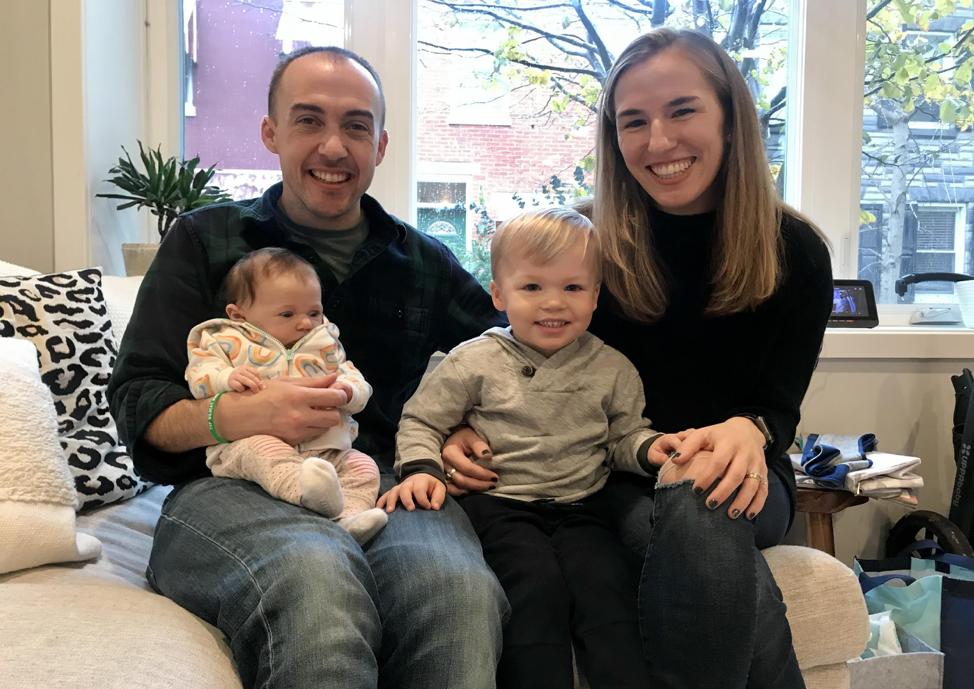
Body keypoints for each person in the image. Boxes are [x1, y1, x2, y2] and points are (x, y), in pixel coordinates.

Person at [441, 28, 833, 688]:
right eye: (634, 122)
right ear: (613, 137)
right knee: (701, 521)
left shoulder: (795, 251)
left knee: (701, 495)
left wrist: (750, 428)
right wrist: (460, 425)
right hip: (612, 473)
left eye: (682, 111)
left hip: (745, 468)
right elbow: (501, 353)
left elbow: (778, 406)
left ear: (730, 119)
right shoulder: (583, 242)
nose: (658, 141)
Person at [108, 46, 509, 688]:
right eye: (309, 120)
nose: (333, 146)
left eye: (356, 126)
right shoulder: (205, 239)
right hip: (232, 482)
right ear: (271, 132)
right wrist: (236, 414)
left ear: (380, 146)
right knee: (316, 579)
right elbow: (138, 400)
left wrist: (463, 423)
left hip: (380, 479)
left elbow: (506, 354)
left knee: (458, 596)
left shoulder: (424, 262)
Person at [380, 207, 685, 687]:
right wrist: (421, 469)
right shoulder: (472, 361)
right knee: (534, 586)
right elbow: (422, 420)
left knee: (607, 586)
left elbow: (624, 437)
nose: (554, 303)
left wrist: (653, 450)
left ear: (596, 295)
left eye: (573, 287)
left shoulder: (613, 368)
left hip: (583, 506)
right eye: (532, 287)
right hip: (499, 505)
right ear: (499, 295)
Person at [185, 247, 387, 544]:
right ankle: (307, 494)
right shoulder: (224, 340)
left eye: (314, 312)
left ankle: (349, 518)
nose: (305, 323)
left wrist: (348, 391)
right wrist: (226, 377)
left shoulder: (324, 343)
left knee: (364, 467)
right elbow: (199, 376)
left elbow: (353, 376)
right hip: (248, 445)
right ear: (239, 315)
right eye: (287, 314)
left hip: (327, 449)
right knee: (265, 450)